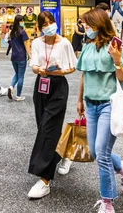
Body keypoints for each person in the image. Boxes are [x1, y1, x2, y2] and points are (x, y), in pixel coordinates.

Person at [76, 8, 123, 213]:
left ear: (98, 25)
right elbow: (84, 74)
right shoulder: (87, 46)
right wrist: (80, 99)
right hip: (90, 105)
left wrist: (117, 61)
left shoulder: (114, 45)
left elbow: (122, 77)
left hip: (109, 105)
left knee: (101, 153)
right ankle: (121, 166)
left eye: (88, 25)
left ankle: (107, 202)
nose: (86, 29)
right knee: (95, 151)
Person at [27, 11, 77, 199]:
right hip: (41, 85)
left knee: (48, 128)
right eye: (45, 24)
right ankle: (63, 154)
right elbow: (33, 65)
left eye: (51, 22)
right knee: (44, 127)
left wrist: (59, 71)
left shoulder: (64, 42)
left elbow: (73, 66)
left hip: (58, 87)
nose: (49, 26)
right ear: (40, 28)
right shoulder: (37, 43)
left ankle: (44, 179)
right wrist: (39, 69)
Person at [7, 14, 31, 102]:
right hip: (21, 56)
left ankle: (11, 86)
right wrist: (30, 56)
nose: (23, 22)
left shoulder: (12, 32)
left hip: (13, 56)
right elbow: (26, 45)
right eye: (22, 20)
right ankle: (18, 96)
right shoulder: (22, 32)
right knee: (21, 76)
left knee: (17, 73)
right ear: (20, 21)